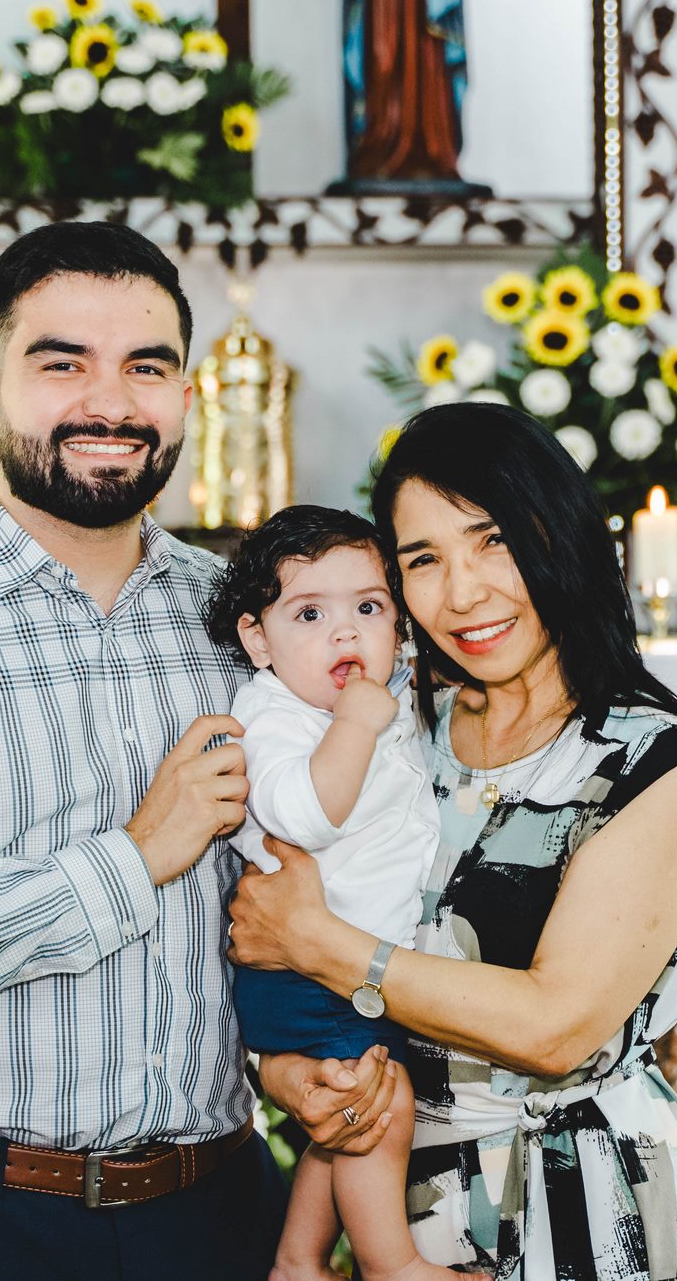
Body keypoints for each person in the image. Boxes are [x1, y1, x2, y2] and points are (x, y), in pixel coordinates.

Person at [0, 222, 390, 1281]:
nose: (110, 402)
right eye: (62, 364)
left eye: (145, 367)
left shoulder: (240, 619)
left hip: (217, 1208)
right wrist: (133, 858)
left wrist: (290, 1059)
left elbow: (283, 885)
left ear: (185, 398)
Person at [231, 402, 677, 1280]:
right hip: (399, 1202)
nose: (462, 594)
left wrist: (320, 943)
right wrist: (287, 1076)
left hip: (583, 1202)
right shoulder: (390, 725)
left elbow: (554, 1026)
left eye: (492, 539)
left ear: (559, 533)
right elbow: (265, 921)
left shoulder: (651, 761)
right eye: (423, 559)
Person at [204, 505, 455, 1281]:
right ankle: (390, 1262)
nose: (345, 631)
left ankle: (298, 1259)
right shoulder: (275, 715)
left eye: (369, 608)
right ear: (259, 640)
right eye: (310, 614)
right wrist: (355, 724)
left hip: (349, 962)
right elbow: (308, 816)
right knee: (383, 1104)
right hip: (307, 971)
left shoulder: (371, 692)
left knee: (347, 1112)